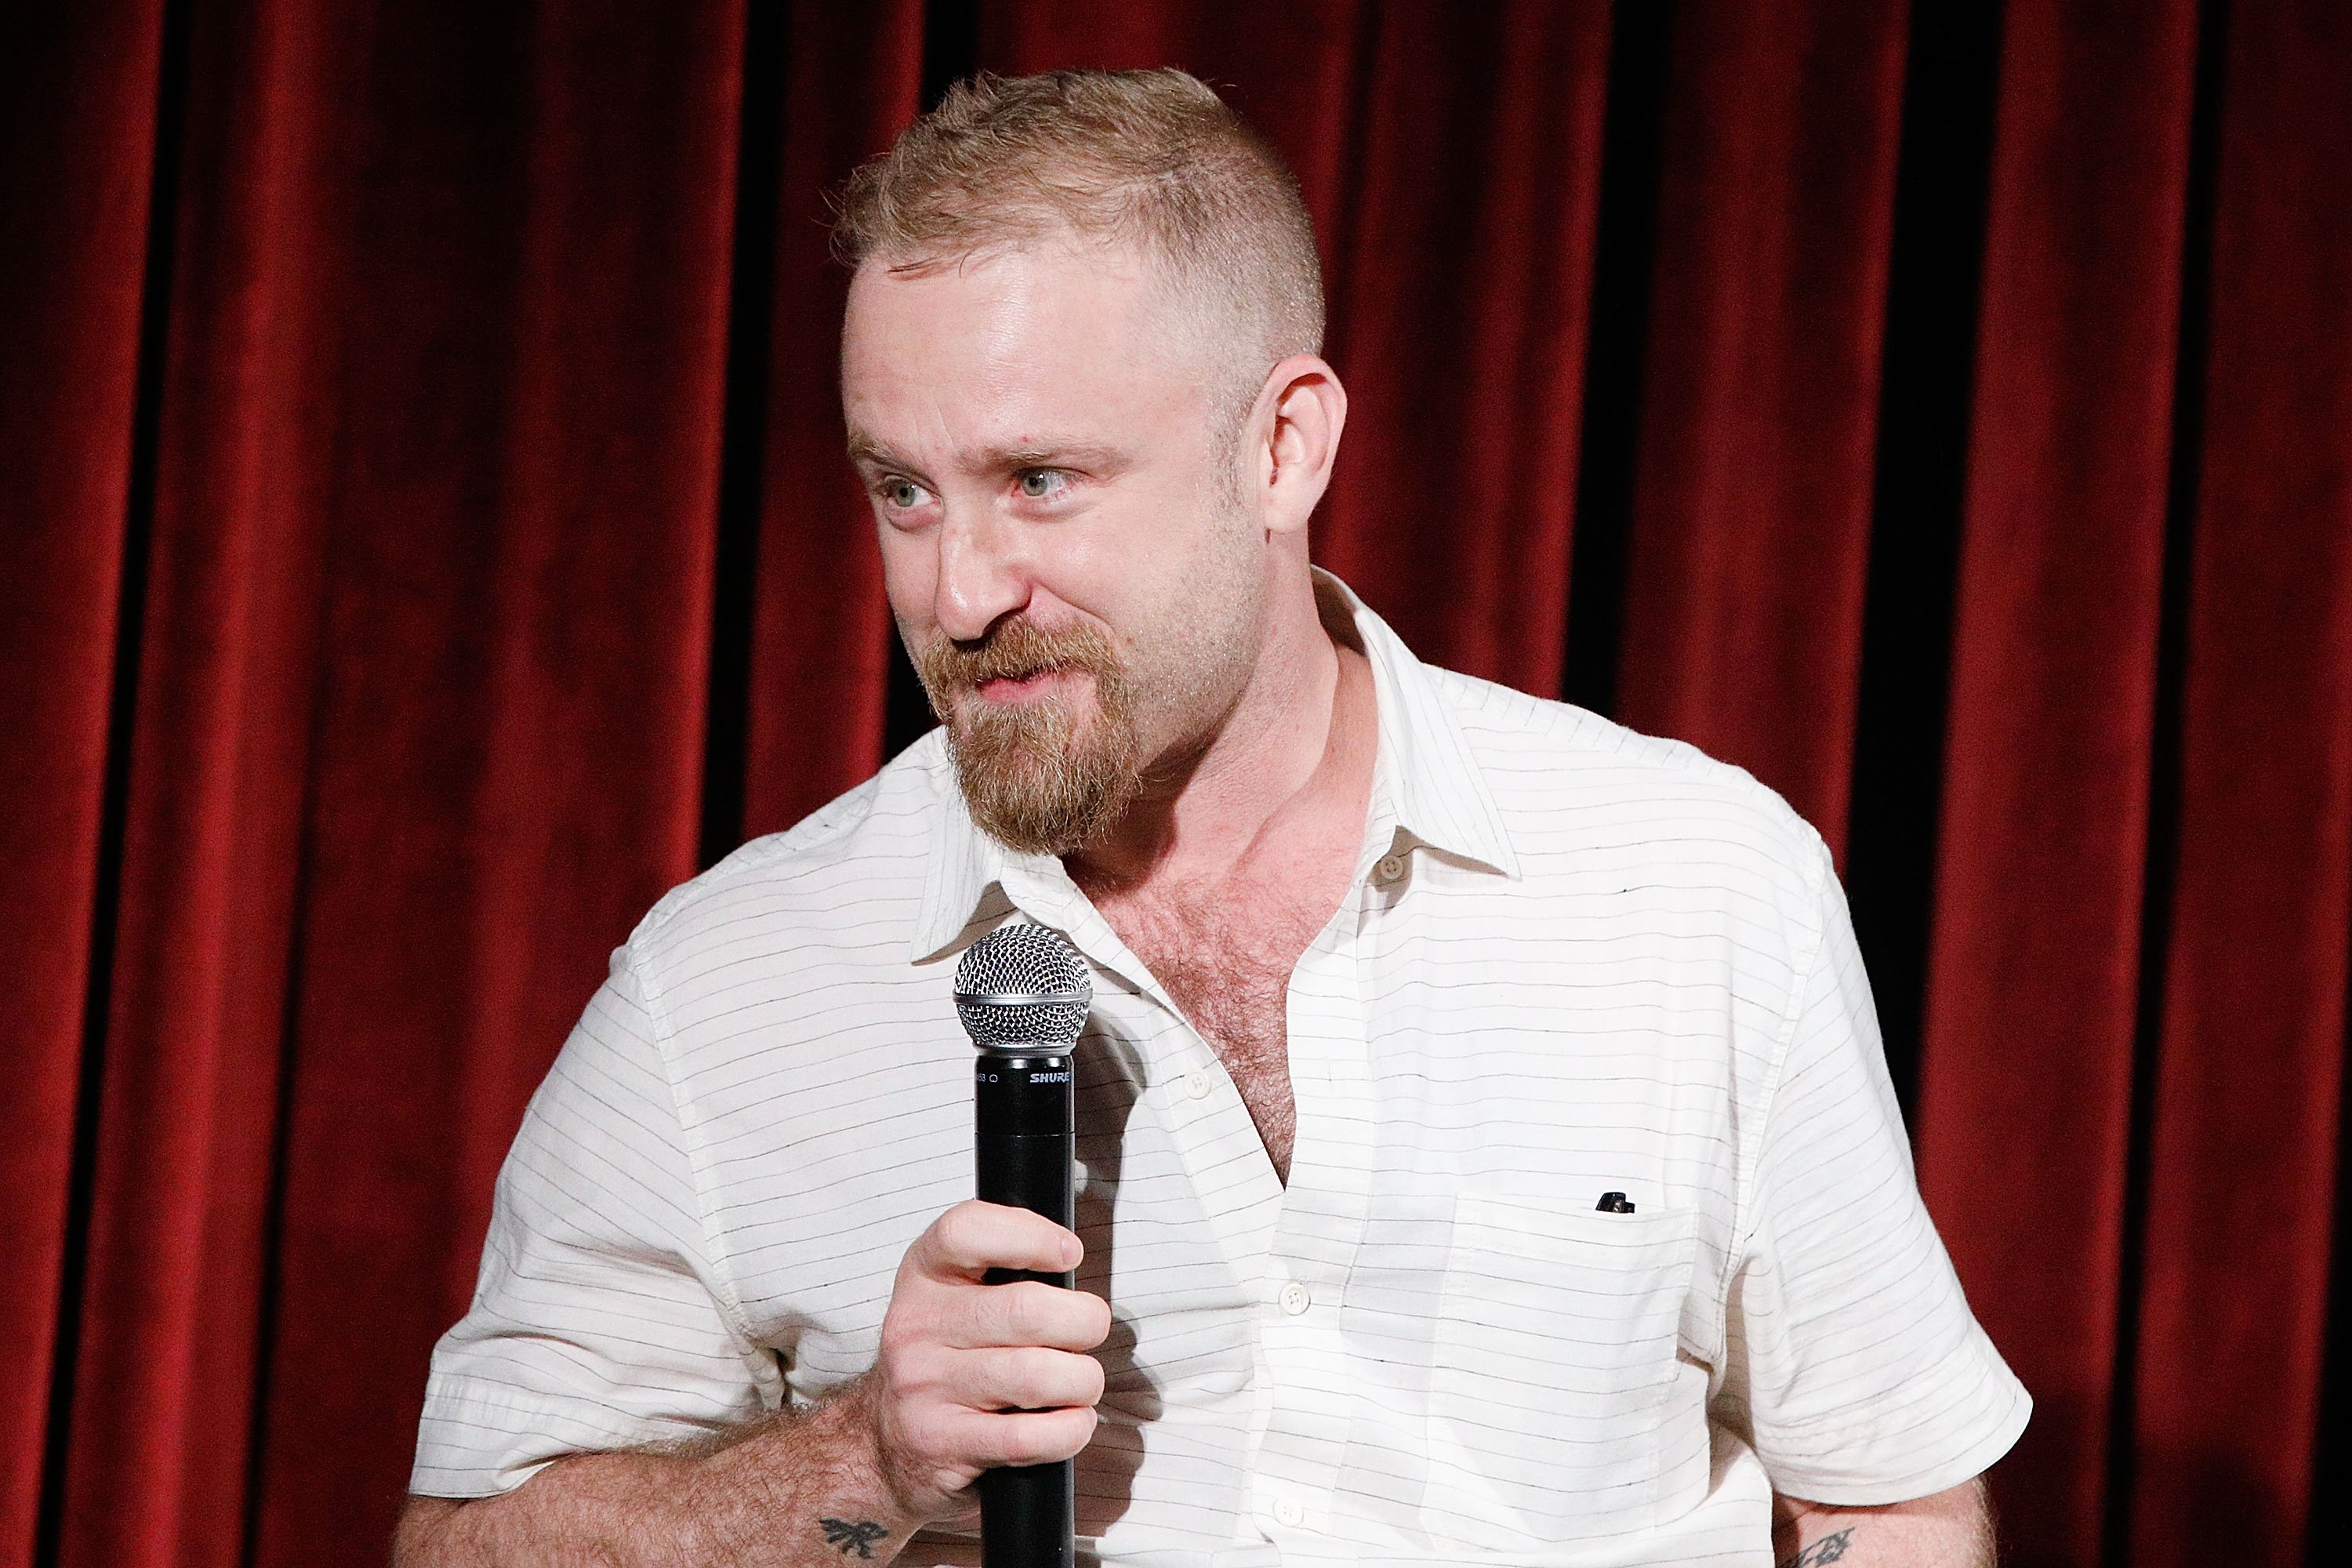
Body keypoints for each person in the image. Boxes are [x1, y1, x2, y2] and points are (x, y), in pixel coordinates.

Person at [393, 68, 2027, 1568]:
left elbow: (1884, 1492)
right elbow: (463, 1547)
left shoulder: (1697, 880)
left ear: (1283, 446)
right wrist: (864, 1457)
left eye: (1040, 480)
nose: (957, 593)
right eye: (903, 489)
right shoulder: (726, 986)